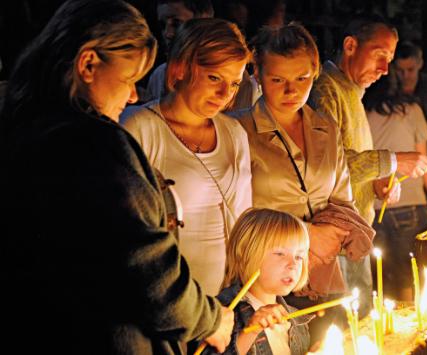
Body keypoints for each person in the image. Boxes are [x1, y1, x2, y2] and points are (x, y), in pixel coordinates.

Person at [0, 0, 233, 353]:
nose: (135, 94)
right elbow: (148, 269)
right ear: (89, 63)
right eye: (129, 79)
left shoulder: (21, 127)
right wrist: (209, 319)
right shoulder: (94, 144)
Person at [232, 23, 373, 341]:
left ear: (315, 72)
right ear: (258, 75)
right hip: (267, 284)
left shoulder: (326, 128)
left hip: (325, 277)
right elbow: (236, 211)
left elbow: (342, 201)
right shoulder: (237, 131)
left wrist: (328, 238)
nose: (290, 91)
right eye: (277, 80)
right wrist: (308, 235)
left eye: (302, 79)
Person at [309, 15, 427, 316]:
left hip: (355, 231)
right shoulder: (325, 90)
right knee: (347, 323)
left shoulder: (353, 93)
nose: (384, 70)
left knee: (362, 317)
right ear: (350, 45)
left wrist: (377, 183)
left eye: (389, 60)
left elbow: (351, 167)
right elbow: (330, 164)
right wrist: (394, 160)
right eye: (380, 56)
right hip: (333, 235)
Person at [124, 18, 252, 296]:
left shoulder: (234, 133)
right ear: (180, 68)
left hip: (223, 297)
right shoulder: (140, 128)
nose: (224, 94)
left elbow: (243, 219)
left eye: (234, 84)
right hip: (163, 297)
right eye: (214, 78)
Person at [364, 69, 427, 300]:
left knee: (379, 275)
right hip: (409, 203)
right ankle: (413, 324)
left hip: (372, 206)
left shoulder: (362, 114)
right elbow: (423, 161)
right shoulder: (412, 111)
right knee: (408, 272)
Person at [208, 208, 310, 355]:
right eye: (280, 253)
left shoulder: (298, 320)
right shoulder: (216, 315)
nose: (293, 265)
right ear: (245, 253)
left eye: (299, 257)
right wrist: (251, 331)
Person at [145, 0, 214, 102]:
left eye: (177, 24)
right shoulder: (159, 76)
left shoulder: (231, 76)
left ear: (203, 23)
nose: (167, 34)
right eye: (163, 25)